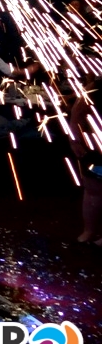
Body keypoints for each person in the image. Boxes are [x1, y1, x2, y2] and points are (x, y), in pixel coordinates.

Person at [68, 75, 102, 246]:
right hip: (96, 148)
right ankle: (89, 230)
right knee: (92, 189)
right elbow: (77, 112)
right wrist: (74, 140)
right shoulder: (97, 86)